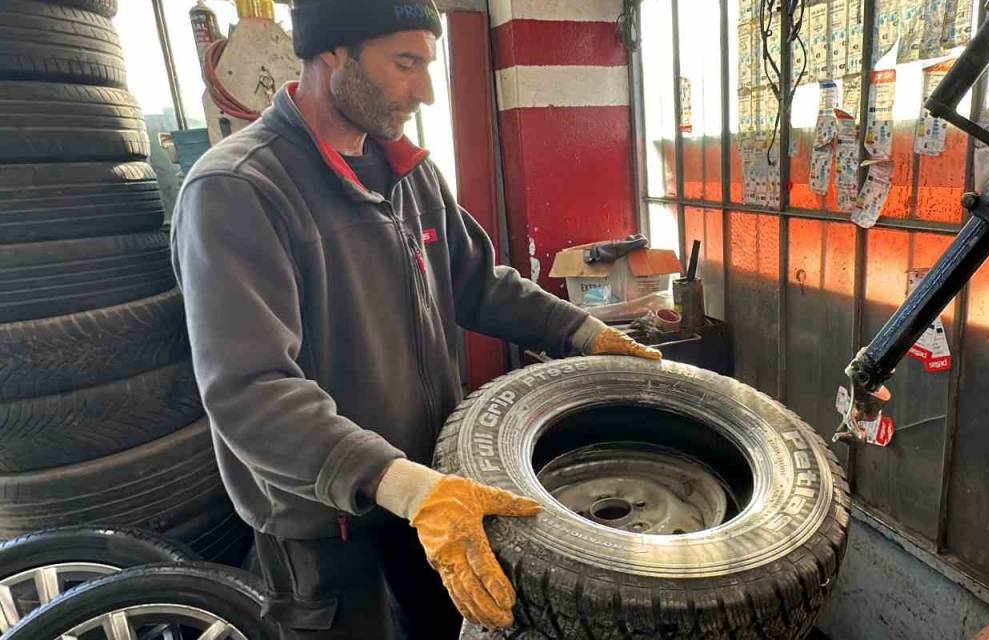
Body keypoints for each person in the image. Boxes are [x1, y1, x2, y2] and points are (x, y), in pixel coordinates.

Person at [170, 1, 661, 637]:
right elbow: (250, 391)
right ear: (331, 53)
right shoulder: (237, 191)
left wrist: (585, 333)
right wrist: (399, 484)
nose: (424, 90)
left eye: (428, 66)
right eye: (405, 64)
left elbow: (478, 284)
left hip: (432, 495)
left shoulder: (409, 172)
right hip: (328, 525)